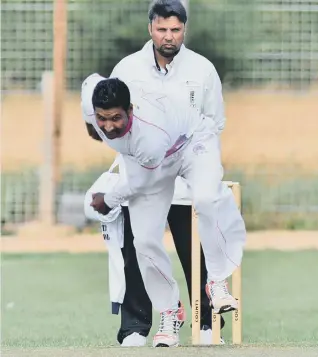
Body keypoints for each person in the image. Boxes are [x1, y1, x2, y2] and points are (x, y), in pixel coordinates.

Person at [81, 73, 246, 347]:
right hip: (148, 159)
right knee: (144, 241)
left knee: (206, 199)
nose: (108, 127)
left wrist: (109, 198)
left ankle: (216, 282)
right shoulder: (94, 107)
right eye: (102, 119)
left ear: (130, 111)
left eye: (116, 119)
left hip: (191, 147)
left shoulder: (149, 136)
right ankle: (170, 312)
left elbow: (142, 182)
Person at [107, 0, 234, 345]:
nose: (168, 36)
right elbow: (116, 121)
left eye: (175, 30)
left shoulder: (202, 69)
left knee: (201, 227)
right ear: (150, 28)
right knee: (143, 245)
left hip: (188, 170)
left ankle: (208, 320)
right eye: (162, 29)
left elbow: (215, 121)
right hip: (146, 171)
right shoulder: (128, 69)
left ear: (184, 30)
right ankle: (153, 320)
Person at [85, 122, 209, 347]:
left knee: (193, 249)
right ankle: (136, 324)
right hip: (138, 170)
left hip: (184, 172)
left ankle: (206, 323)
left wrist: (110, 199)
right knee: (138, 247)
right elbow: (96, 126)